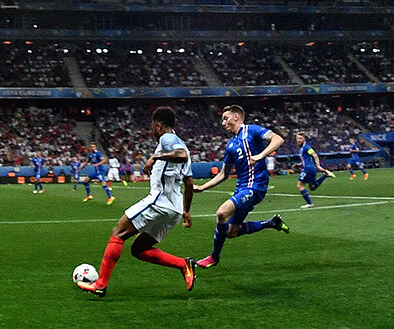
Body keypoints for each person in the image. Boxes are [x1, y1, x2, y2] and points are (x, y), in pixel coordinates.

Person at [77, 106, 198, 298]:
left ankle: (100, 285)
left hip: (159, 202)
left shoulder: (167, 139)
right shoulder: (183, 146)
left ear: (158, 126)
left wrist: (155, 157)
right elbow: (189, 183)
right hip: (174, 210)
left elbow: (180, 155)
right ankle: (184, 265)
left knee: (118, 233)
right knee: (139, 249)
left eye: (153, 127)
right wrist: (186, 211)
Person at [190, 104, 288, 267]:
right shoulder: (230, 145)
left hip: (255, 187)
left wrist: (260, 155)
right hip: (241, 189)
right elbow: (223, 174)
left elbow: (278, 139)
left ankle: (214, 257)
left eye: (225, 118)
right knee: (231, 232)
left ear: (236, 117)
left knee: (221, 213)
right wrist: (201, 188)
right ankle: (271, 223)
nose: (223, 123)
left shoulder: (252, 130)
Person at [293, 132, 333, 207]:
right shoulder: (302, 148)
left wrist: (318, 165)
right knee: (313, 187)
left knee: (300, 185)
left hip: (308, 169)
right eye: (297, 138)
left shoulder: (306, 147)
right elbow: (307, 159)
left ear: (304, 139)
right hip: (311, 168)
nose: (298, 140)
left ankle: (309, 203)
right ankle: (325, 175)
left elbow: (315, 155)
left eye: (300, 138)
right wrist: (299, 164)